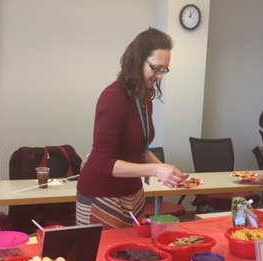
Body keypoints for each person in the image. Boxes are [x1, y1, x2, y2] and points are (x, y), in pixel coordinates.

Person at [76, 28, 185, 228]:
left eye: (165, 70)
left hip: (133, 193)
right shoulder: (114, 98)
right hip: (102, 195)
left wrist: (164, 169)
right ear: (137, 62)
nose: (160, 76)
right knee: (103, 257)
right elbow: (103, 162)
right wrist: (156, 170)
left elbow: (139, 150)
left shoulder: (143, 97)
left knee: (134, 255)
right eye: (156, 68)